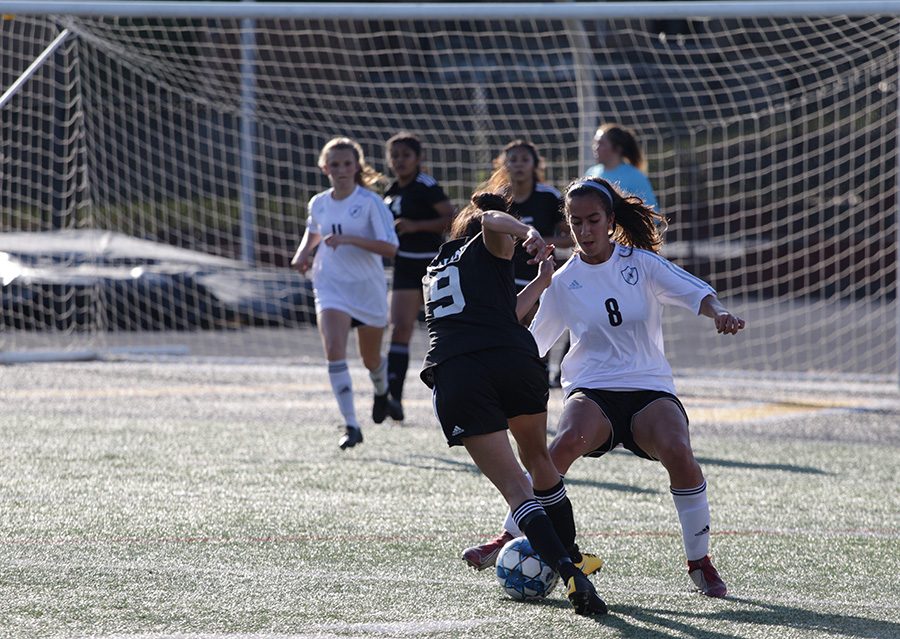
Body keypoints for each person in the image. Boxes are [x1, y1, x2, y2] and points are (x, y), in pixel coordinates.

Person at [461, 177, 745, 599]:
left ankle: (699, 561)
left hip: (648, 387)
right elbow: (533, 343)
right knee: (561, 447)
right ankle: (509, 535)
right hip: (592, 388)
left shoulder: (642, 264)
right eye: (576, 222)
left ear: (611, 220)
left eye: (594, 220)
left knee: (678, 451)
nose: (585, 230)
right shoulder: (562, 279)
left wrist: (719, 312)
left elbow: (696, 292)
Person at [421, 192, 607, 616]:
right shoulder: (488, 239)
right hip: (511, 358)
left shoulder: (431, 271)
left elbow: (494, 313)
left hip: (458, 371)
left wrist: (541, 282)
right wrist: (526, 230)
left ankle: (568, 570)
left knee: (517, 490)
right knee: (540, 462)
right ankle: (572, 555)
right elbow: (490, 220)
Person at [290, 136, 400, 450]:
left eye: (347, 164)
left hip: (366, 288)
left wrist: (350, 240)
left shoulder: (369, 203)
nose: (341, 170)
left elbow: (390, 247)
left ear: (356, 167)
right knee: (334, 351)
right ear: (324, 167)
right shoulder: (319, 202)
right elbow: (314, 231)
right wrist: (302, 255)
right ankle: (351, 424)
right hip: (329, 285)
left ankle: (381, 392)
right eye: (334, 164)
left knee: (369, 359)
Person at [382, 132, 455, 420]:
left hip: (430, 266)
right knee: (399, 328)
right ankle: (393, 398)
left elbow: (451, 218)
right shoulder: (390, 191)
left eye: (405, 155)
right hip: (403, 267)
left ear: (418, 159)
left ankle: (452, 392)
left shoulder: (426, 186)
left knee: (443, 331)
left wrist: (415, 226)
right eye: (395, 155)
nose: (400, 161)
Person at [481, 139, 570, 304]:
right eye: (513, 160)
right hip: (505, 274)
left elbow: (572, 236)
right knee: (508, 326)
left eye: (525, 160)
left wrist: (542, 241)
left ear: (535, 164)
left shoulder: (549, 196)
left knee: (536, 328)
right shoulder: (498, 197)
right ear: (504, 165)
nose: (519, 165)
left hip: (540, 274)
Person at [585, 123, 658, 212]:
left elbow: (652, 213)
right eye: (595, 143)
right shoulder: (591, 173)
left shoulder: (635, 176)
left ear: (617, 148)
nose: (595, 147)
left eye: (601, 143)